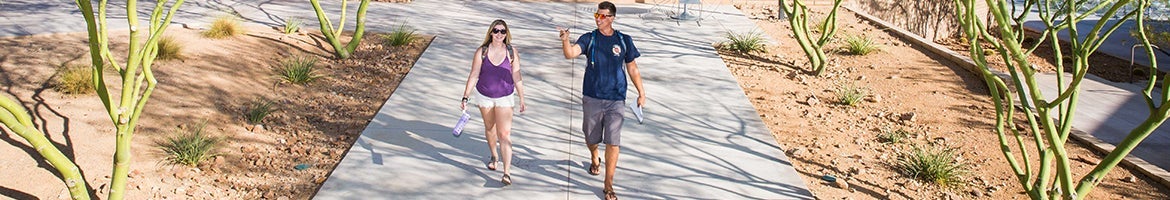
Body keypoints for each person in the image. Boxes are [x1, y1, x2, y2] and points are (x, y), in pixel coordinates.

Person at [557, 2, 644, 199]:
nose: (598, 18)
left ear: (612, 18)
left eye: (603, 16)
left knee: (613, 141)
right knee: (590, 137)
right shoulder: (590, 38)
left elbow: (632, 68)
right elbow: (570, 53)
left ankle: (608, 185)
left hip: (616, 98)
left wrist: (641, 92)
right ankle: (594, 155)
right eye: (597, 14)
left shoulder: (624, 40)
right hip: (592, 96)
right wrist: (565, 40)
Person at [462, 19, 526, 186]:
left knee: (504, 134)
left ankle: (507, 173)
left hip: (505, 97)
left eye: (502, 31)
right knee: (490, 129)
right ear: (491, 32)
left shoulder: (511, 52)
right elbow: (474, 74)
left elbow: (517, 76)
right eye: (496, 31)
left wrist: (522, 98)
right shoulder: (481, 52)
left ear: (507, 34)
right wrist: (465, 96)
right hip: (484, 97)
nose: (499, 34)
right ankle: (494, 155)